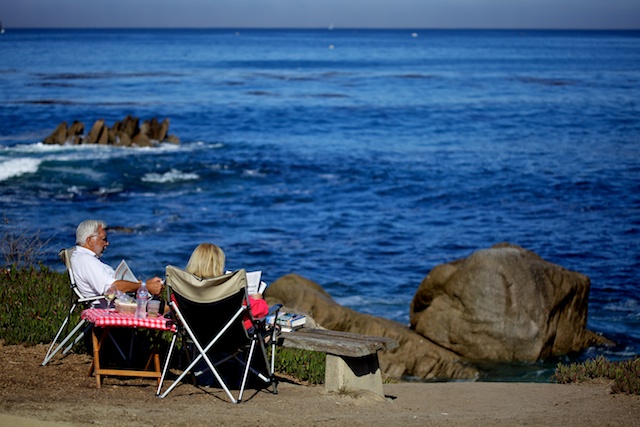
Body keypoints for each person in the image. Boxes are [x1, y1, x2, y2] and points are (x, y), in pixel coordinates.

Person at [71, 219, 163, 300]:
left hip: (121, 302)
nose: (107, 243)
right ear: (90, 241)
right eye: (104, 239)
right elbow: (113, 287)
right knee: (169, 309)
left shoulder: (83, 257)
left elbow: (115, 283)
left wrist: (146, 283)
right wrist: (146, 286)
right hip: (114, 308)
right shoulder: (87, 261)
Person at [185, 243, 269, 330]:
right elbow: (262, 310)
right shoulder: (226, 288)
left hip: (195, 334)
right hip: (226, 336)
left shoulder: (183, 287)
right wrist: (258, 300)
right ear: (218, 265)